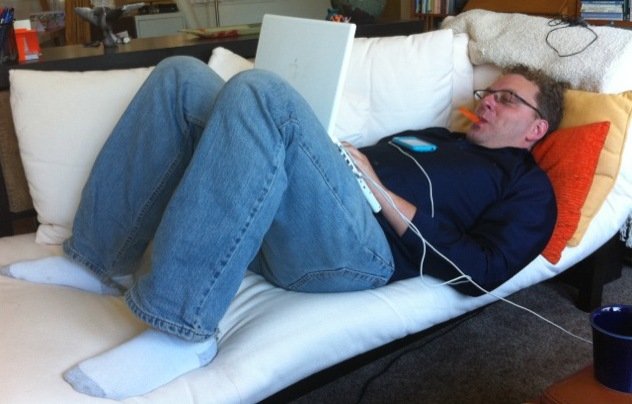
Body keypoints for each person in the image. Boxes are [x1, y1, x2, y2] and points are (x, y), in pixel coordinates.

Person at [0, 56, 564, 399]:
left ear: (536, 128)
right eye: (488, 93)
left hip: (362, 252)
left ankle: (181, 332)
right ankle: (98, 260)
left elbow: (483, 271)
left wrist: (376, 188)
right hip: (310, 212)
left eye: (505, 99)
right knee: (180, 78)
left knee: (262, 91)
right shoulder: (438, 137)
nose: (487, 102)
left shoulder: (527, 186)